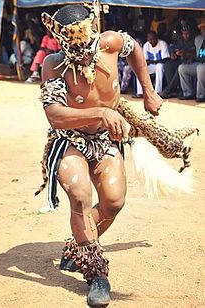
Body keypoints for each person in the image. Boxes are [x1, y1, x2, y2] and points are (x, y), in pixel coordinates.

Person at [39, 3, 162, 307]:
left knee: (113, 201)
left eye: (85, 47)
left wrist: (148, 90)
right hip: (69, 140)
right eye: (73, 48)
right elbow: (54, 114)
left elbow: (133, 49)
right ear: (61, 41)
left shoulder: (110, 42)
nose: (81, 54)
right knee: (79, 195)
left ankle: (76, 248)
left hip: (105, 139)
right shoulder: (53, 65)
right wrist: (101, 112)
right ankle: (97, 275)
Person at [159, 24, 196, 99]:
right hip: (179, 59)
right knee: (167, 65)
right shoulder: (180, 39)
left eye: (187, 33)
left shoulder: (195, 40)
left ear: (191, 33)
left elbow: (196, 53)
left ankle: (168, 91)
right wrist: (172, 53)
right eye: (184, 34)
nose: (186, 36)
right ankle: (173, 91)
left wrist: (185, 53)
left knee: (180, 68)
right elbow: (172, 47)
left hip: (189, 61)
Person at [135, 31, 170, 96]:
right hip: (152, 66)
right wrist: (149, 62)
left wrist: (152, 62)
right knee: (140, 69)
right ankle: (140, 92)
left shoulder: (162, 43)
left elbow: (165, 59)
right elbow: (146, 60)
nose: (152, 41)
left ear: (156, 37)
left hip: (161, 66)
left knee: (159, 66)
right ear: (148, 39)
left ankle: (157, 91)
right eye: (150, 39)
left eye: (154, 39)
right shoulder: (146, 45)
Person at [178, 20, 205, 102]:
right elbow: (195, 53)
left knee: (200, 68)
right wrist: (191, 59)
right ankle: (188, 93)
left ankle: (201, 95)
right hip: (199, 63)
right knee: (182, 68)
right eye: (202, 29)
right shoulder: (199, 39)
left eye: (204, 29)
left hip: (202, 66)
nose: (203, 31)